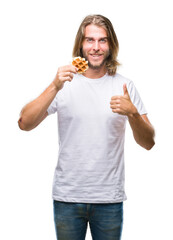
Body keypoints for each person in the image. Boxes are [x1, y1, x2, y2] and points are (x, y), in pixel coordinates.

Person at [18, 14, 155, 240]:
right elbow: (25, 123)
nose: (96, 47)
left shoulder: (124, 86)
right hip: (68, 198)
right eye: (90, 40)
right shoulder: (63, 84)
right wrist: (54, 85)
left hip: (109, 199)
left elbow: (148, 142)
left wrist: (133, 113)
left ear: (111, 45)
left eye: (102, 40)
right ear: (80, 45)